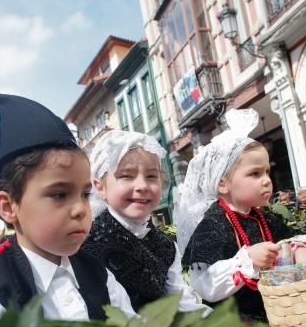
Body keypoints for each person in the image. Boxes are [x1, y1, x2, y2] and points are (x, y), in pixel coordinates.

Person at [0, 91, 136, 327]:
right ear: (8, 206)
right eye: (59, 194)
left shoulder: (98, 274)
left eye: (84, 194)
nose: (81, 209)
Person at [177, 108, 306, 323]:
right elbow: (205, 285)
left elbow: (291, 237)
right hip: (235, 323)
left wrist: (301, 250)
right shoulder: (213, 224)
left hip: (278, 314)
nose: (267, 180)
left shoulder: (262, 217)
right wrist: (247, 260)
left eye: (267, 172)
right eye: (255, 173)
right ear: (222, 183)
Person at [82, 130, 210, 315]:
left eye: (151, 176)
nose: (142, 186)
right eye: (126, 176)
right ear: (100, 187)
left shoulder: (165, 246)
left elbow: (182, 302)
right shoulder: (89, 245)